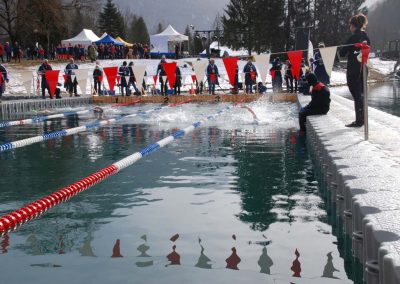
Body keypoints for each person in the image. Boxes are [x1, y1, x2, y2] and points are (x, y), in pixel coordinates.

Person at [339, 13, 370, 128]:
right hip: (364, 68)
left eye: (350, 26)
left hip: (354, 69)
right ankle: (362, 119)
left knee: (356, 95)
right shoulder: (366, 37)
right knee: (361, 94)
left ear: (353, 26)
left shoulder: (352, 38)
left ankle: (359, 121)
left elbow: (342, 53)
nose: (350, 28)